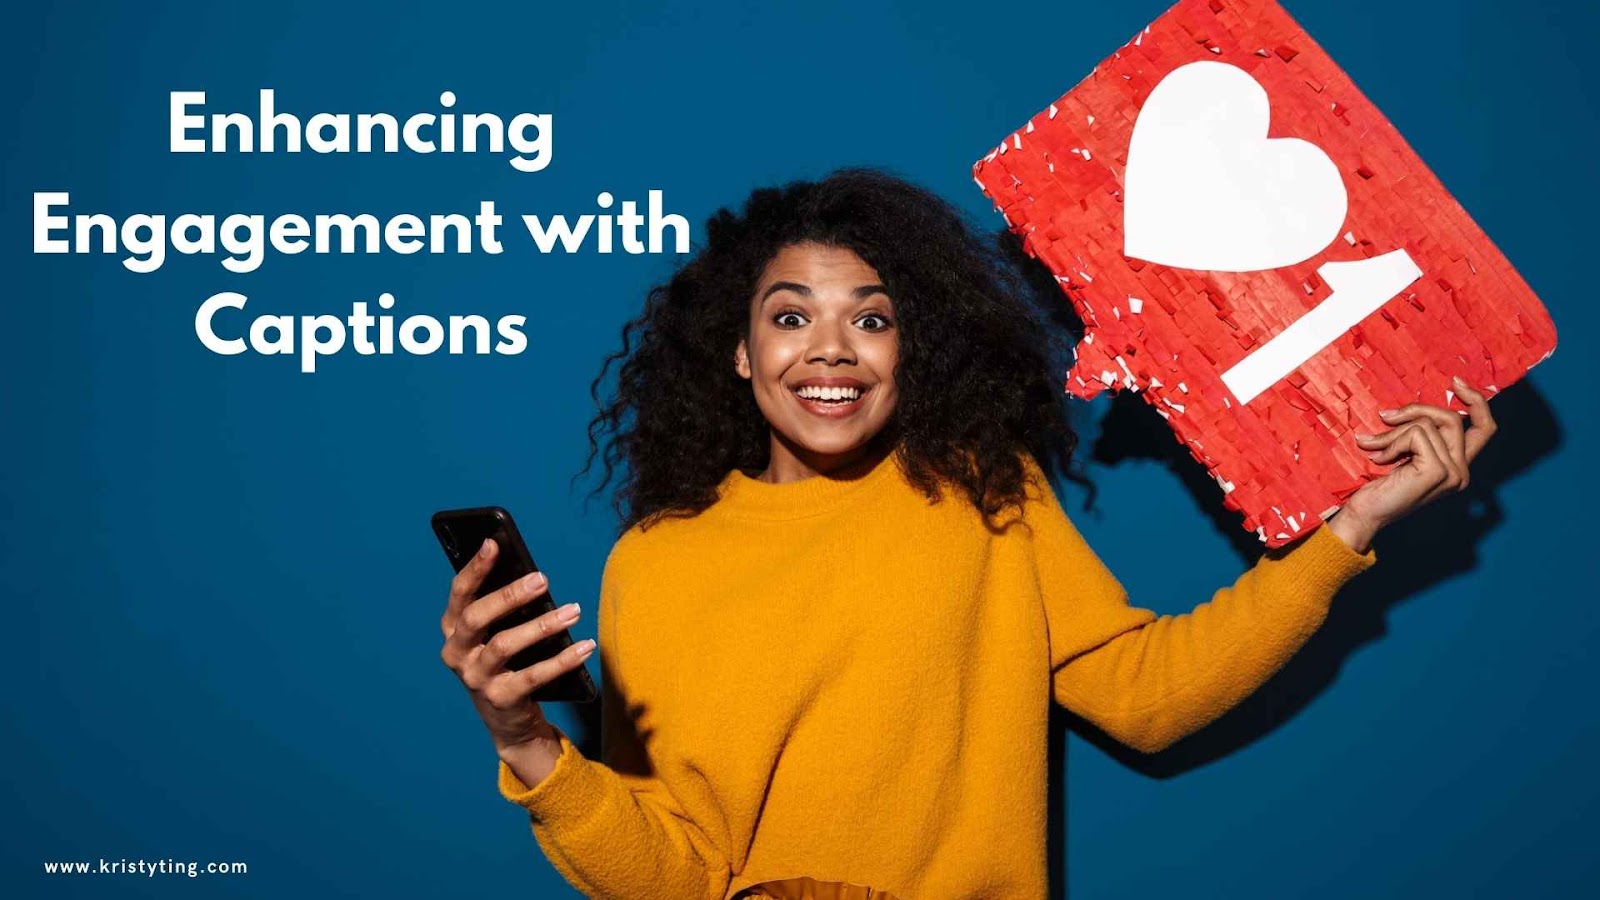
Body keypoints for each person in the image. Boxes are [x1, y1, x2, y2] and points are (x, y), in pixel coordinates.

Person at [438, 169, 1497, 899]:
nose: (833, 348)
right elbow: (674, 875)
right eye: (791, 315)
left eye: (873, 315)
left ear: (910, 349)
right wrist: (526, 742)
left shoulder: (983, 499)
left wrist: (1346, 528)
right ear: (739, 356)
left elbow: (1146, 696)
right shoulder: (657, 561)